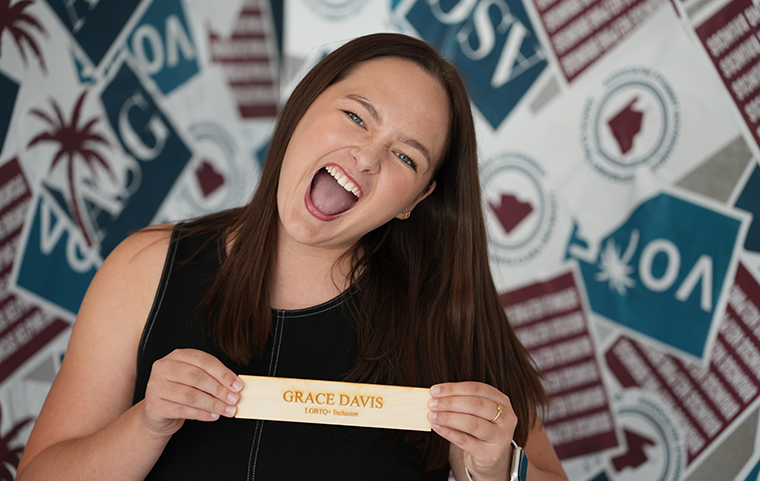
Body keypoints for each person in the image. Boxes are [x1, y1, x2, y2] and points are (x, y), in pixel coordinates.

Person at [17, 33, 568, 480]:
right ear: (303, 104)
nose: (367, 156)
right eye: (356, 117)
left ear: (416, 201)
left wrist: (499, 470)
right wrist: (146, 426)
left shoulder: (449, 313)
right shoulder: (145, 269)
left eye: (405, 155)